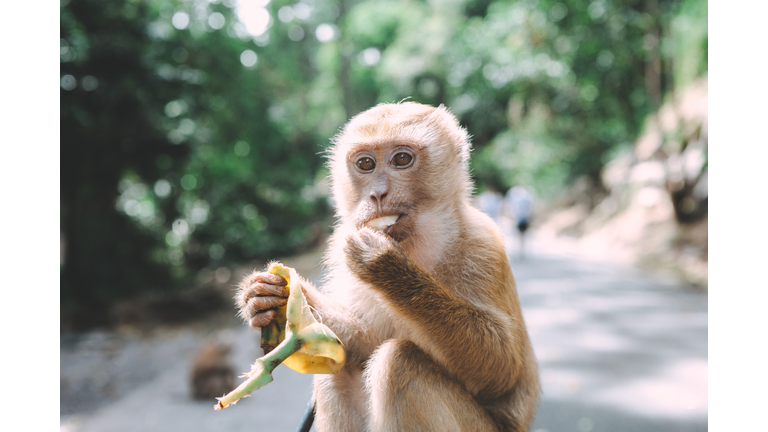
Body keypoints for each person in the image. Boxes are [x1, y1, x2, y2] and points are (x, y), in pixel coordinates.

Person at [506, 186, 533, 259]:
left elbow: (510, 206)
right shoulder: (527, 196)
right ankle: (520, 249)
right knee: (521, 235)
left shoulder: (515, 195)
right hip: (523, 218)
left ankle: (519, 249)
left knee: (519, 234)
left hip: (519, 218)